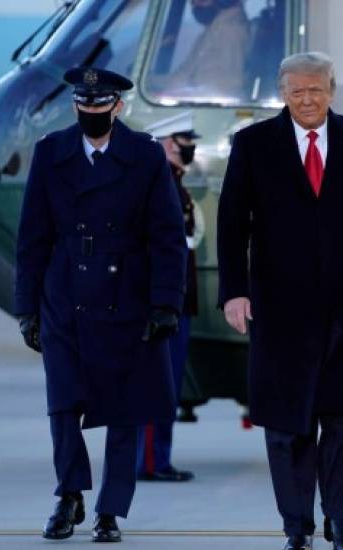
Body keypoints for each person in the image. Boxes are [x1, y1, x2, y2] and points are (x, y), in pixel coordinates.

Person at [217, 52, 343, 550]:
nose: (306, 100)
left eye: (316, 90)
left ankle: (342, 519)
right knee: (287, 421)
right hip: (277, 307)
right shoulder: (253, 144)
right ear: (282, 93)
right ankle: (296, 525)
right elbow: (231, 223)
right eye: (296, 91)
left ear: (332, 90)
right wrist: (234, 291)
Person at [14, 67, 186, 542]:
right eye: (83, 106)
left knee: (125, 408)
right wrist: (26, 307)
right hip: (65, 294)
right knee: (63, 402)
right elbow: (32, 237)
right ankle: (69, 495)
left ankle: (111, 509)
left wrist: (166, 302)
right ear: (76, 107)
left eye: (99, 106)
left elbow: (167, 236)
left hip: (125, 295)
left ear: (118, 107)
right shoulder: (51, 154)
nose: (91, 113)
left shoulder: (146, 156)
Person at [136, 112, 203, 482]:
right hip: (163, 304)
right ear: (164, 144)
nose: (189, 148)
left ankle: (158, 457)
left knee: (170, 383)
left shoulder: (174, 184)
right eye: (182, 141)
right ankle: (149, 461)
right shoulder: (157, 187)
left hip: (178, 302)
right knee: (157, 383)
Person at [168, 0, 250, 98]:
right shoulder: (213, 30)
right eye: (193, 1)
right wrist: (149, 83)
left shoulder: (231, 31)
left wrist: (184, 95)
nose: (194, 4)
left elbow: (229, 86)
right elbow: (182, 75)